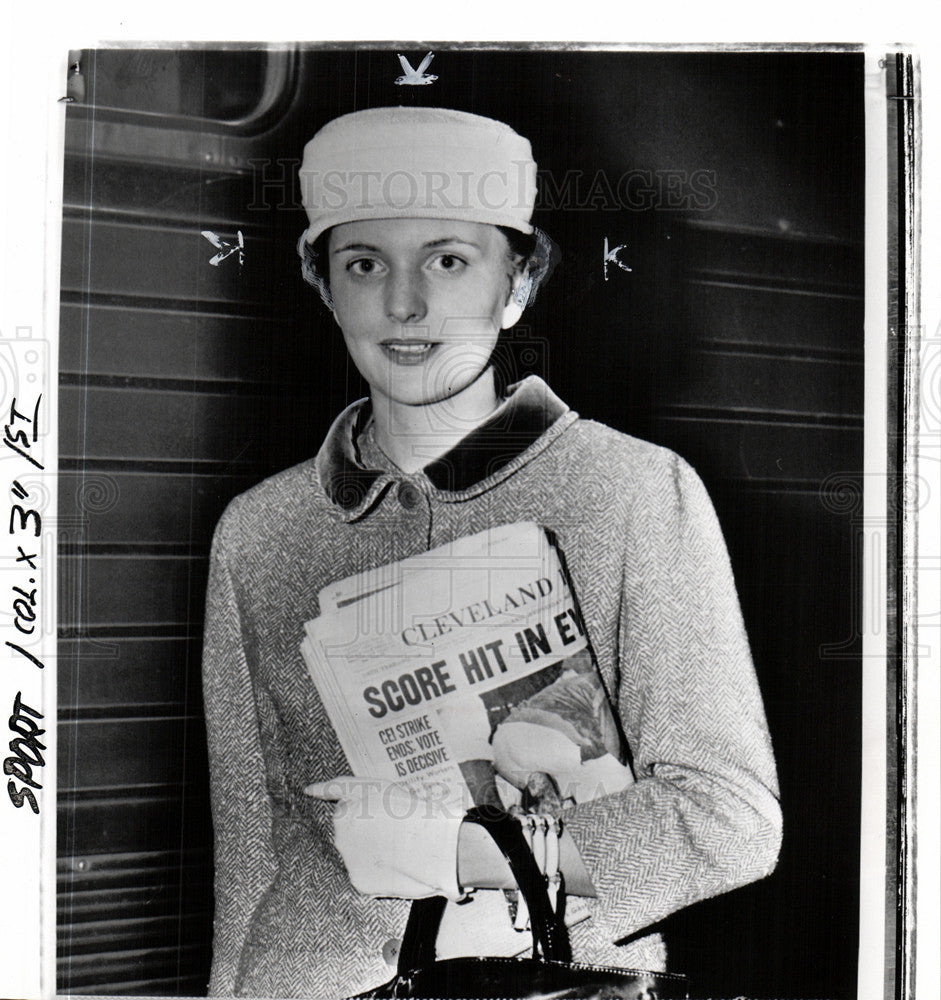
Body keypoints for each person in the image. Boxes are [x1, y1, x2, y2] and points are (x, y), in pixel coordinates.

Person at [201, 106, 782, 999]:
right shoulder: (261, 528)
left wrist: (460, 852)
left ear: (517, 285)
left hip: (558, 981)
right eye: (365, 264)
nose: (405, 303)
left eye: (448, 260)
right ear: (324, 288)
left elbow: (728, 819)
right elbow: (249, 853)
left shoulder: (629, 490)